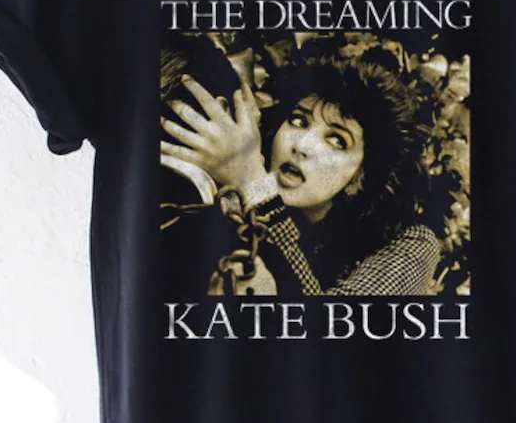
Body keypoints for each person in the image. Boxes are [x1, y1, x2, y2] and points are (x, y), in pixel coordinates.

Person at [160, 53, 445, 296]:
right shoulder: (233, 205)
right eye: (298, 121)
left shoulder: (413, 244)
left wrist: (254, 185)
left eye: (337, 140)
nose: (302, 146)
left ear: (361, 178)